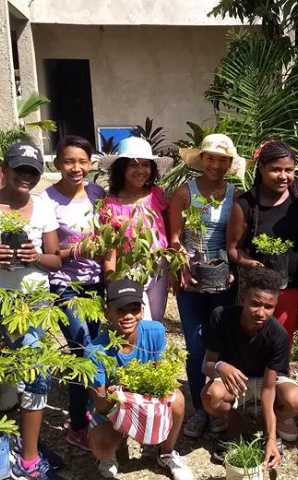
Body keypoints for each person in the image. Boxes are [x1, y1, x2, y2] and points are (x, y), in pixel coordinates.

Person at [227, 140, 298, 440]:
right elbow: (233, 249)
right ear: (261, 169)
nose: (283, 176)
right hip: (274, 294)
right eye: (276, 169)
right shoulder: (245, 205)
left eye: (289, 170)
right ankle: (281, 412)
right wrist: (251, 265)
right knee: (277, 354)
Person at [85, 278, 193, 480]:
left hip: (145, 401)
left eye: (134, 309)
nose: (128, 316)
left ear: (142, 311)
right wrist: (115, 396)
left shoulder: (156, 332)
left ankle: (166, 452)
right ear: (107, 312)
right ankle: (109, 455)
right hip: (113, 408)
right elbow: (100, 405)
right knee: (101, 444)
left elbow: (162, 378)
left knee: (176, 398)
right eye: (120, 309)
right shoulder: (95, 351)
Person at [201, 267, 298, 469]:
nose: (261, 312)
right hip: (236, 380)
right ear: (243, 300)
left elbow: (268, 389)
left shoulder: (278, 335)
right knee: (210, 396)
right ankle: (235, 424)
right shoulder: (220, 317)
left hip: (266, 381)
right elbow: (206, 365)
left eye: (268, 307)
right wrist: (221, 366)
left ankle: (272, 423)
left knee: (296, 400)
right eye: (255, 304)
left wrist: (271, 439)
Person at [39, 135, 105, 450]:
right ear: (57, 164)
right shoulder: (47, 200)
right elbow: (51, 254)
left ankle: (90, 414)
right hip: (66, 288)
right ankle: (78, 424)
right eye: (68, 161)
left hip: (99, 285)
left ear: (91, 164)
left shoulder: (97, 193)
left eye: (82, 161)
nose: (75, 168)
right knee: (83, 351)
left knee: (95, 347)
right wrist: (81, 248)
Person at [168, 134, 237, 438]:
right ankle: (198, 409)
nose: (215, 164)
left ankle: (219, 409)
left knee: (220, 344)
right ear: (201, 160)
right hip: (191, 278)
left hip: (223, 279)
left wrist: (233, 270)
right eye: (210, 158)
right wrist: (181, 268)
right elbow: (174, 239)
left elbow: (236, 240)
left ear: (229, 164)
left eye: (222, 159)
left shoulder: (235, 195)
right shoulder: (186, 192)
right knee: (196, 346)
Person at [0, 142, 62, 479]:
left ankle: (30, 456)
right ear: (5, 169)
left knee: (35, 378)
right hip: (0, 307)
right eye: (19, 169)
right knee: (3, 381)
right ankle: (5, 448)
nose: (25, 176)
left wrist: (34, 256)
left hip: (34, 307)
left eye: (32, 171)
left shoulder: (43, 207)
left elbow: (55, 260)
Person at [100, 136, 172, 321]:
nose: (141, 170)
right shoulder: (110, 204)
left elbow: (168, 229)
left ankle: (155, 350)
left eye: (145, 165)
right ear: (122, 168)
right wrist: (111, 277)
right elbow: (109, 245)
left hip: (159, 267)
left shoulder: (157, 194)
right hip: (128, 268)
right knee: (139, 319)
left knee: (156, 318)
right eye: (133, 165)